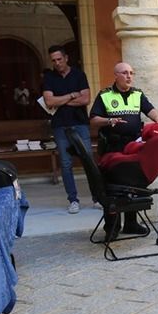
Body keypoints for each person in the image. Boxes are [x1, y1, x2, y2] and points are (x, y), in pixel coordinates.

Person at [90, 62, 158, 238]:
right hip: (112, 146)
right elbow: (93, 120)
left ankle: (131, 223)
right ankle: (112, 227)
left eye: (131, 73)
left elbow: (151, 110)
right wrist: (109, 121)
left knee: (133, 184)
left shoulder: (138, 94)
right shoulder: (105, 95)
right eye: (124, 73)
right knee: (112, 188)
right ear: (116, 75)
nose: (129, 76)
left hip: (134, 146)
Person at [42, 45, 92, 214]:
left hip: (80, 123)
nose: (57, 63)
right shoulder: (49, 77)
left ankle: (97, 197)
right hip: (60, 125)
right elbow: (49, 102)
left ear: (66, 58)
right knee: (65, 163)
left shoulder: (79, 75)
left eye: (59, 59)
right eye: (54, 60)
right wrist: (71, 95)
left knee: (88, 161)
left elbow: (85, 99)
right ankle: (73, 200)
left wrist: (60, 101)